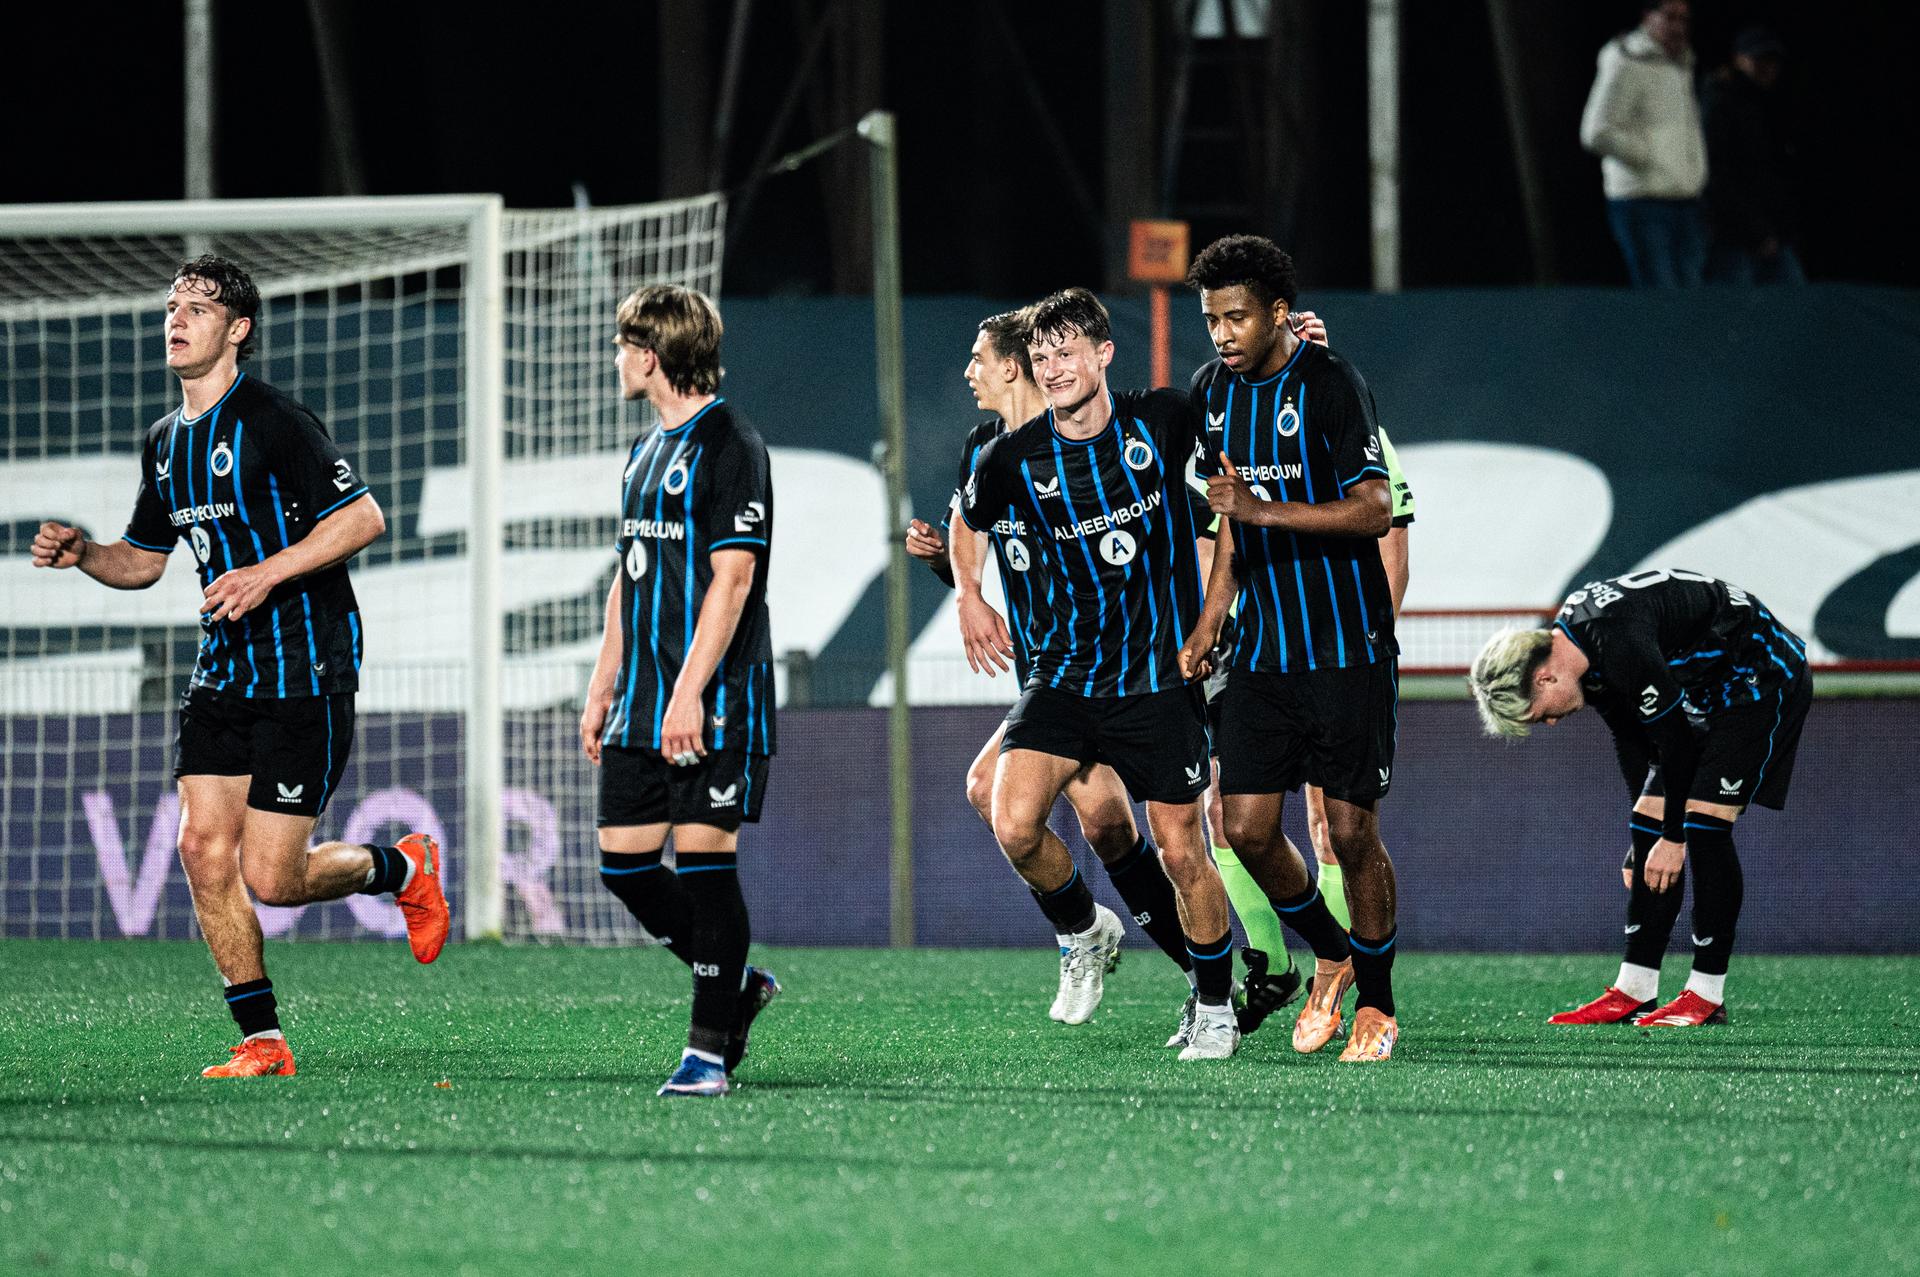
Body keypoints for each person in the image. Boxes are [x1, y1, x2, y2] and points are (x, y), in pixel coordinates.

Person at [30, 255, 446, 1079]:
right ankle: (263, 1039)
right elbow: (144, 560)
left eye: (197, 308)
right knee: (200, 848)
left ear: (237, 329)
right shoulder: (165, 442)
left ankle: (401, 867)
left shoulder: (273, 420)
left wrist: (266, 572)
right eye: (171, 306)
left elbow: (363, 517)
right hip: (222, 672)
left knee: (275, 878)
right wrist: (86, 553)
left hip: (304, 668)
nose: (176, 320)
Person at [952, 288, 1241, 1061]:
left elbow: (1229, 505)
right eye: (1041, 355)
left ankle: (1217, 1006)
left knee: (1180, 849)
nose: (1053, 367)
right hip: (1066, 675)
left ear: (1104, 353)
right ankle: (1082, 928)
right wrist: (969, 593)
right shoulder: (1012, 455)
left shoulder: (1166, 419)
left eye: (1067, 352)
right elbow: (966, 521)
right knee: (1010, 817)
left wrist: (1211, 618)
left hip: (1157, 677)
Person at [906, 309, 1200, 1030]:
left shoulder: (1091, 444)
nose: (969, 372)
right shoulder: (987, 451)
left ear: (1012, 367)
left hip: (1124, 671)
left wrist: (1206, 618)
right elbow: (975, 535)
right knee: (1057, 813)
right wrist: (957, 579)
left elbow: (1190, 517)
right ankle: (1098, 936)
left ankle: (1188, 965)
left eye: (979, 358)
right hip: (1049, 676)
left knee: (1114, 824)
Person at [1176, 235, 1404, 1064]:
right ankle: (1332, 953)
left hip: (1346, 648)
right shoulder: (1210, 393)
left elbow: (1375, 508)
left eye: (1236, 317)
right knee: (1244, 826)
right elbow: (1230, 521)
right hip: (1264, 654)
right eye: (1212, 319)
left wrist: (1262, 509)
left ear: (1278, 312)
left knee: (1350, 833)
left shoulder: (1332, 383)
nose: (1222, 334)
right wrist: (1210, 621)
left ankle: (1376, 1005)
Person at [579, 284, 780, 1098]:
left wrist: (690, 692)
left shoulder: (732, 443)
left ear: (653, 355)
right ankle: (737, 986)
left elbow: (733, 581)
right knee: (623, 866)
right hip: (641, 699)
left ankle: (706, 1053)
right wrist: (602, 683)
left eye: (624, 344)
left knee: (704, 863)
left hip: (714, 699)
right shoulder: (643, 452)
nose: (616, 357)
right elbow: (629, 577)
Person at [1468, 570, 1811, 1027]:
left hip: (1762, 678)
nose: (1549, 723)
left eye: (1538, 714)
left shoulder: (1617, 642)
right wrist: (1647, 837)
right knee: (1648, 825)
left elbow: (1677, 745)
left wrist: (1674, 838)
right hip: (1706, 687)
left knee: (1704, 826)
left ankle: (1706, 995)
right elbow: (1632, 740)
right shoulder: (1580, 652)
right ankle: (1635, 990)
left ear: (1546, 678)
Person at [1580, 0, 1709, 288]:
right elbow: (1595, 131)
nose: (1678, 26)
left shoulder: (1681, 61)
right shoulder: (1626, 58)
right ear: (1648, 16)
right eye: (1670, 17)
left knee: (1693, 301)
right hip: (1643, 203)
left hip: (1686, 201)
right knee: (1663, 298)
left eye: (1684, 19)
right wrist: (1647, 155)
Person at [1703, 27, 1805, 286]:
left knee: (1795, 301)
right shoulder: (1720, 100)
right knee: (1733, 306)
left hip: (1773, 232)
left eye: (1772, 60)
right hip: (1735, 236)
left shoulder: (1769, 103)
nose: (1767, 67)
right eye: (1759, 59)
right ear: (1739, 59)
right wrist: (1755, 231)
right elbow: (1718, 175)